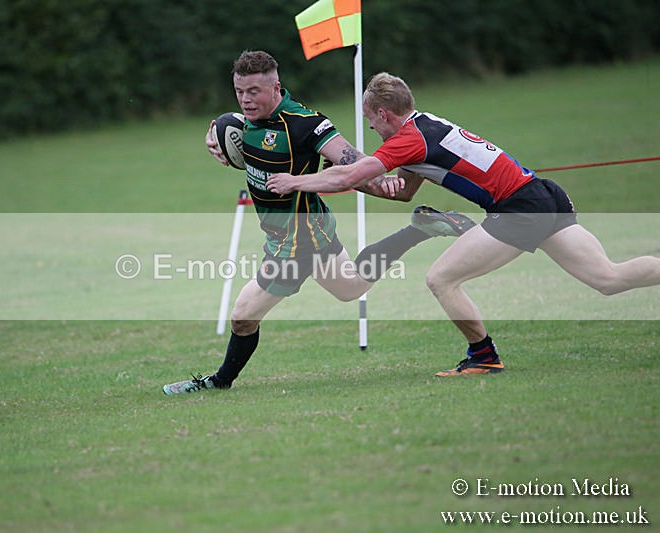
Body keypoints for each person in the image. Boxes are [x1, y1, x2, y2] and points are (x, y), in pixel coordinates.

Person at [267, 72, 660, 376]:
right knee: (608, 279)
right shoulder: (426, 125)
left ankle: (484, 358)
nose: (372, 129)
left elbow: (348, 176)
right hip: (542, 194)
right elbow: (403, 192)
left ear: (384, 114)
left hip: (519, 209)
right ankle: (483, 357)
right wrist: (353, 182)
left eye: (371, 121)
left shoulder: (406, 140)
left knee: (441, 279)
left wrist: (295, 182)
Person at [162, 52, 475, 395]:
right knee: (351, 288)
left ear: (276, 87)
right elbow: (237, 141)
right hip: (302, 226)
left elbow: (349, 159)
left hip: (298, 239)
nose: (246, 99)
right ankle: (419, 229)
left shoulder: (305, 123)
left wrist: (379, 182)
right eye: (239, 91)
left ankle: (219, 382)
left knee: (242, 315)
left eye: (254, 91)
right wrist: (217, 142)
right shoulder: (242, 122)